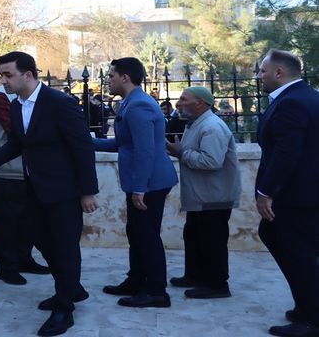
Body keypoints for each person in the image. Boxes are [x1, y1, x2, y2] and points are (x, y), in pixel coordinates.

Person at [0, 51, 98, 337]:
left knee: (65, 248)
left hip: (64, 192)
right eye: (1, 74)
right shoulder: (17, 106)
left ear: (27, 74)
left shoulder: (60, 103)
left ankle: (64, 308)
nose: (1, 80)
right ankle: (72, 288)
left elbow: (82, 148)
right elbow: (16, 145)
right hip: (34, 190)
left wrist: (88, 191)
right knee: (40, 240)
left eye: (7, 75)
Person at [94, 57, 178, 309]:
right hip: (143, 181)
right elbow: (123, 144)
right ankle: (136, 280)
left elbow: (145, 151)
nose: (107, 80)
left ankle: (156, 291)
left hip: (149, 182)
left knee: (147, 235)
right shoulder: (132, 103)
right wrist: (84, 141)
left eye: (111, 76)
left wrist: (140, 187)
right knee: (137, 232)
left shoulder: (139, 105)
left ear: (125, 77)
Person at [255, 50, 319, 337]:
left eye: (262, 71)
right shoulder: (308, 96)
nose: (259, 76)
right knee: (278, 239)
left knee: (299, 253)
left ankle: (312, 318)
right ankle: (306, 305)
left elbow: (286, 152)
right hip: (305, 193)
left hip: (295, 195)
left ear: (279, 73)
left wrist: (266, 191)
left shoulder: (291, 102)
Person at [165, 86, 240, 299]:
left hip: (214, 197)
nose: (178, 103)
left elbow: (211, 161)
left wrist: (181, 152)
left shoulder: (212, 127)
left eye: (183, 99)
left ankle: (217, 285)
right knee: (194, 235)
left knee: (212, 240)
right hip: (203, 196)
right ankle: (195, 275)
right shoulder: (196, 124)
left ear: (200, 103)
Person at [0, 83, 51, 285]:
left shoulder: (27, 95)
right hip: (7, 169)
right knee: (7, 222)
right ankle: (6, 267)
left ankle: (24, 259)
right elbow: (15, 129)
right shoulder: (1, 97)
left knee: (27, 220)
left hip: (26, 169)